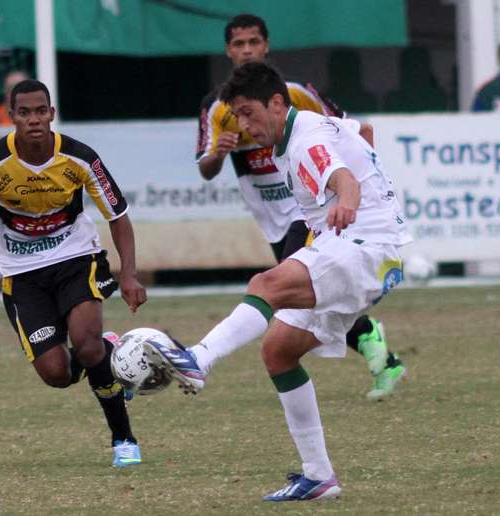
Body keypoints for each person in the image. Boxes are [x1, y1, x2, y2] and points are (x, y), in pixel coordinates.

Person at [146, 61, 412, 501]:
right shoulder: (305, 129)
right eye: (238, 118)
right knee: (278, 352)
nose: (245, 126)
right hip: (367, 247)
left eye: (249, 113)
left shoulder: (305, 140)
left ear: (276, 103)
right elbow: (361, 131)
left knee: (265, 284)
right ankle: (319, 476)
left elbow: (342, 179)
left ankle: (198, 359)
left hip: (364, 244)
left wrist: (348, 201)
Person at [196, 13, 404, 399]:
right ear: (228, 50)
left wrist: (356, 199)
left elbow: (352, 134)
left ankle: (198, 359)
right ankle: (373, 341)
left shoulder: (297, 100)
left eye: (253, 42)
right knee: (288, 322)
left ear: (266, 45)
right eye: (238, 44)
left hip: (309, 215)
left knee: (272, 290)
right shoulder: (219, 107)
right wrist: (220, 154)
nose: (246, 50)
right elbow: (205, 167)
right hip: (274, 216)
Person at [0, 79, 147, 467]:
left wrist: (129, 274)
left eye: (41, 111)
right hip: (22, 275)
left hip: (76, 260)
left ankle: (123, 440)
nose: (34, 120)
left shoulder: (80, 157)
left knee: (86, 348)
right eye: (25, 113)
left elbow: (118, 214)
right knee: (56, 373)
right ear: (12, 117)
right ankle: (110, 352)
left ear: (51, 114)